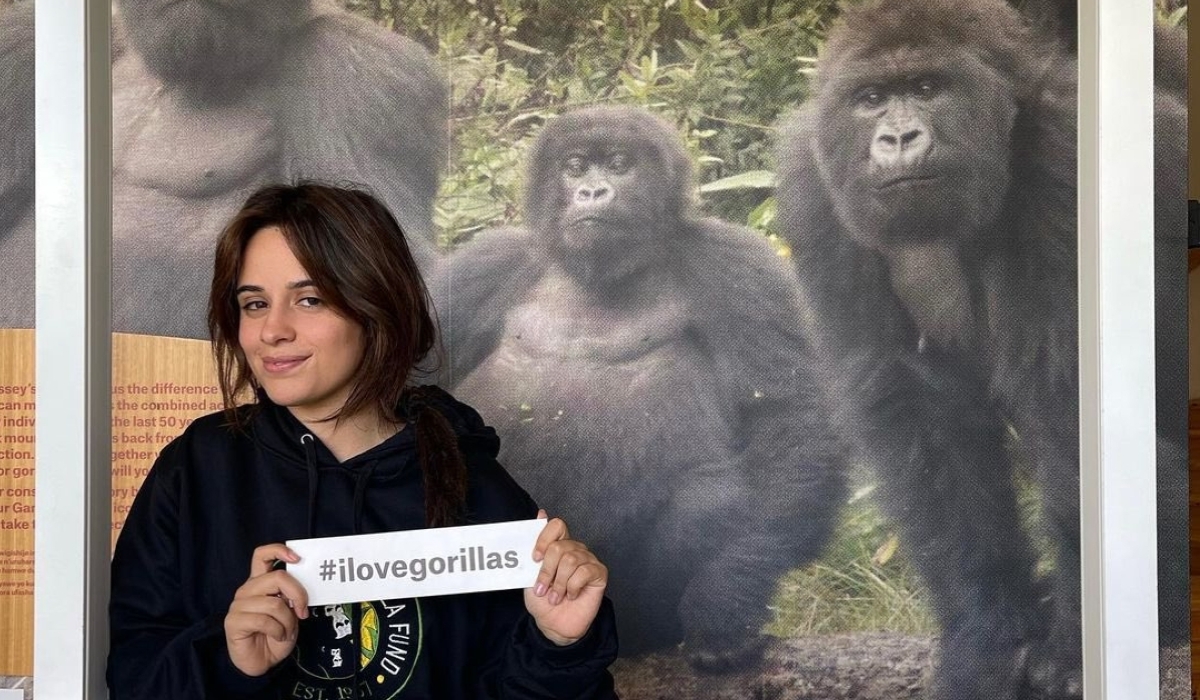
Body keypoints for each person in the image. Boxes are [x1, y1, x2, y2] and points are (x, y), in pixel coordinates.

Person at [107, 182, 619, 699]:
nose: (272, 330)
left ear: (375, 305)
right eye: (254, 303)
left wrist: (558, 644)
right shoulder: (198, 468)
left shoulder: (470, 484)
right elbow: (131, 679)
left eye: (308, 300)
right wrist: (230, 660)